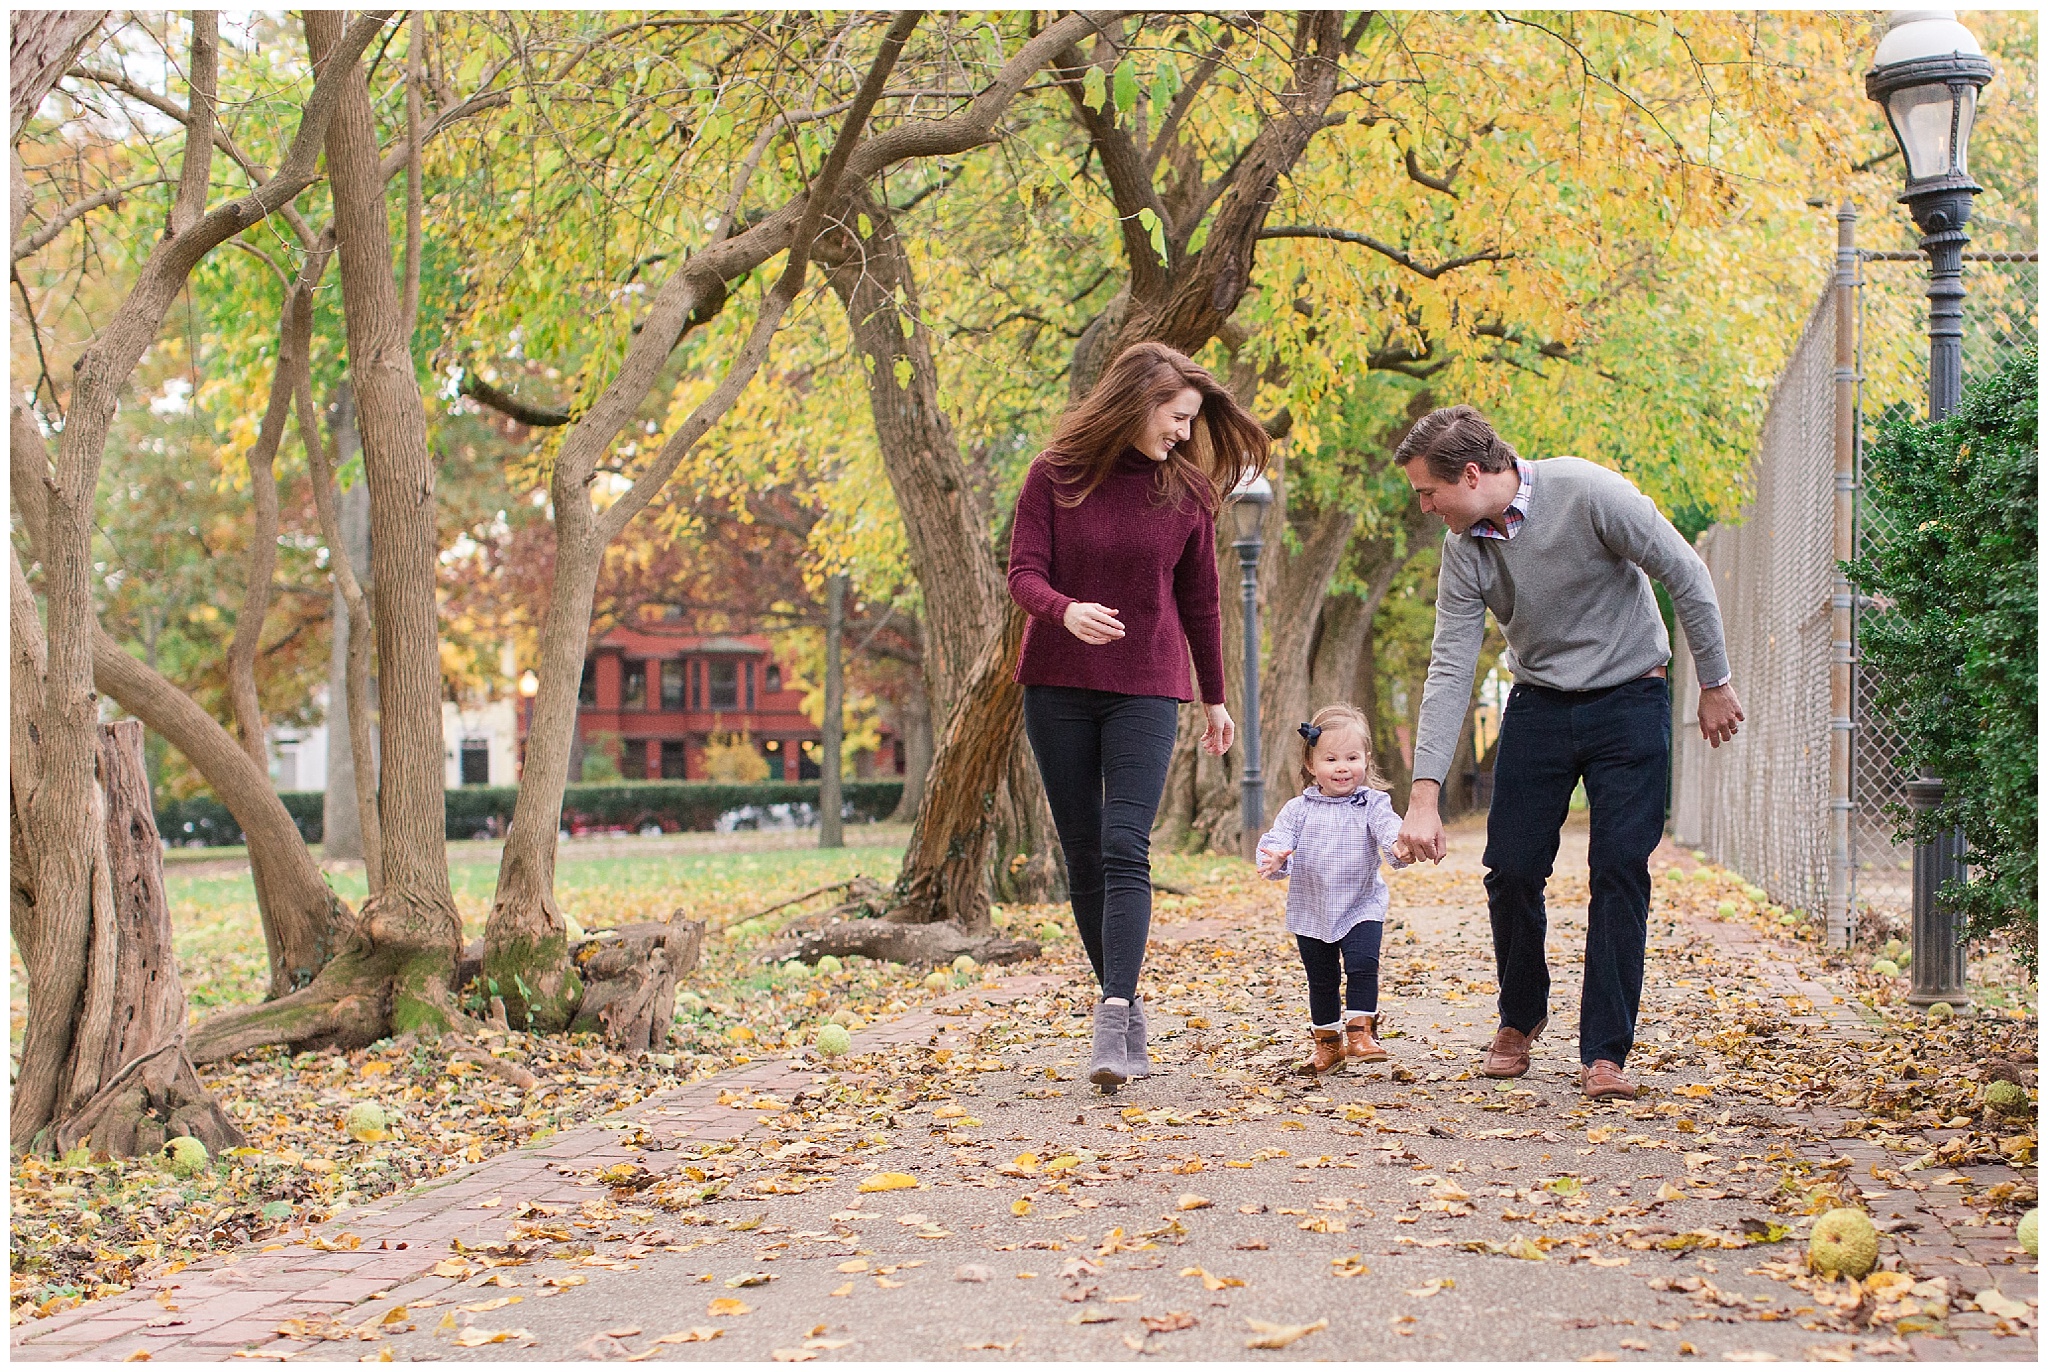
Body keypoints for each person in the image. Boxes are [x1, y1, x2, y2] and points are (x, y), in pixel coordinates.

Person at [1390, 406, 1744, 1102]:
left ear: (1470, 474)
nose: (1425, 507)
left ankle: (1605, 1051)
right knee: (1511, 870)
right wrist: (1424, 795)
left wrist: (1716, 682)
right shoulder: (1466, 550)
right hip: (1541, 705)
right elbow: (1450, 665)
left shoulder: (1587, 492)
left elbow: (1684, 572)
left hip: (1629, 698)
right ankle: (1521, 1016)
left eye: (1428, 493)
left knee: (1618, 870)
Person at [1007, 341, 1269, 1089]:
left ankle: (1116, 1010)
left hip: (1148, 686)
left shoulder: (1188, 494)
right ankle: (1119, 1005)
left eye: (1192, 420)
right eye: (1177, 418)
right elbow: (1023, 575)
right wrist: (1065, 611)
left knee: (1126, 843)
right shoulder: (1053, 476)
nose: (1185, 433)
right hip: (1056, 682)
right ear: (1137, 402)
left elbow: (1202, 602)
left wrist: (1215, 696)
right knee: (1083, 851)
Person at [1255, 704, 1410, 1075]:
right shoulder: (1298, 809)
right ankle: (1327, 1045)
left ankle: (1360, 1033)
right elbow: (1280, 838)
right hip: (1312, 908)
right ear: (1312, 765)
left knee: (1362, 964)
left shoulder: (1373, 803)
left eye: (1352, 757)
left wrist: (1400, 845)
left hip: (1361, 904)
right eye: (1331, 759)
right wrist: (1274, 856)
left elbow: (1390, 829)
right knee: (1321, 979)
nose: (1342, 766)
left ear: (1366, 760)